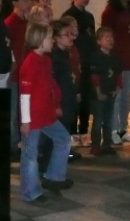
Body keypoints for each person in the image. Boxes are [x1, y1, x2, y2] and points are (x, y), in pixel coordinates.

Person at [19, 23, 73, 204]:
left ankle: (54, 176)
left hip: (47, 113)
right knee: (30, 155)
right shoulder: (30, 63)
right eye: (50, 38)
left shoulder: (46, 60)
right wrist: (25, 121)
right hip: (33, 118)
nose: (52, 41)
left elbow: (50, 85)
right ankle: (30, 192)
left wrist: (56, 104)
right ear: (41, 41)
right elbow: (25, 95)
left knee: (63, 139)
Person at [101, 0, 130, 144]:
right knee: (116, 96)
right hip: (116, 58)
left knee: (126, 97)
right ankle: (113, 130)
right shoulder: (110, 12)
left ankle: (123, 128)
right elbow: (106, 35)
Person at [40, 20, 83, 170]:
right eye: (66, 34)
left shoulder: (65, 54)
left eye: (72, 33)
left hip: (68, 101)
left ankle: (56, 170)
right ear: (56, 37)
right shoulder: (54, 58)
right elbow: (52, 84)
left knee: (63, 136)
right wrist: (56, 105)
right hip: (60, 104)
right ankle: (49, 171)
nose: (71, 37)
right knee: (54, 140)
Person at [62, 0, 96, 148]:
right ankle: (73, 132)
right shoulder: (68, 16)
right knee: (75, 97)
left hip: (88, 60)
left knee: (86, 99)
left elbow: (92, 38)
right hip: (75, 61)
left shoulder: (89, 16)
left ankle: (84, 131)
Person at [5, 0, 33, 159]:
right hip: (15, 74)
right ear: (15, 2)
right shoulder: (9, 22)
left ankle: (23, 142)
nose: (29, 3)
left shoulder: (29, 22)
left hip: (27, 74)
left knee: (25, 110)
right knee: (13, 111)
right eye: (25, 0)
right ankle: (12, 145)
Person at [89, 27, 122, 155]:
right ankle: (95, 144)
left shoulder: (115, 57)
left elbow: (118, 73)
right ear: (99, 41)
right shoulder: (96, 57)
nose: (110, 40)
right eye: (106, 38)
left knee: (108, 119)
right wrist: (98, 92)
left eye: (111, 37)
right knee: (98, 120)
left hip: (111, 92)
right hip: (99, 94)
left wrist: (118, 88)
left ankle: (107, 143)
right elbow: (95, 76)